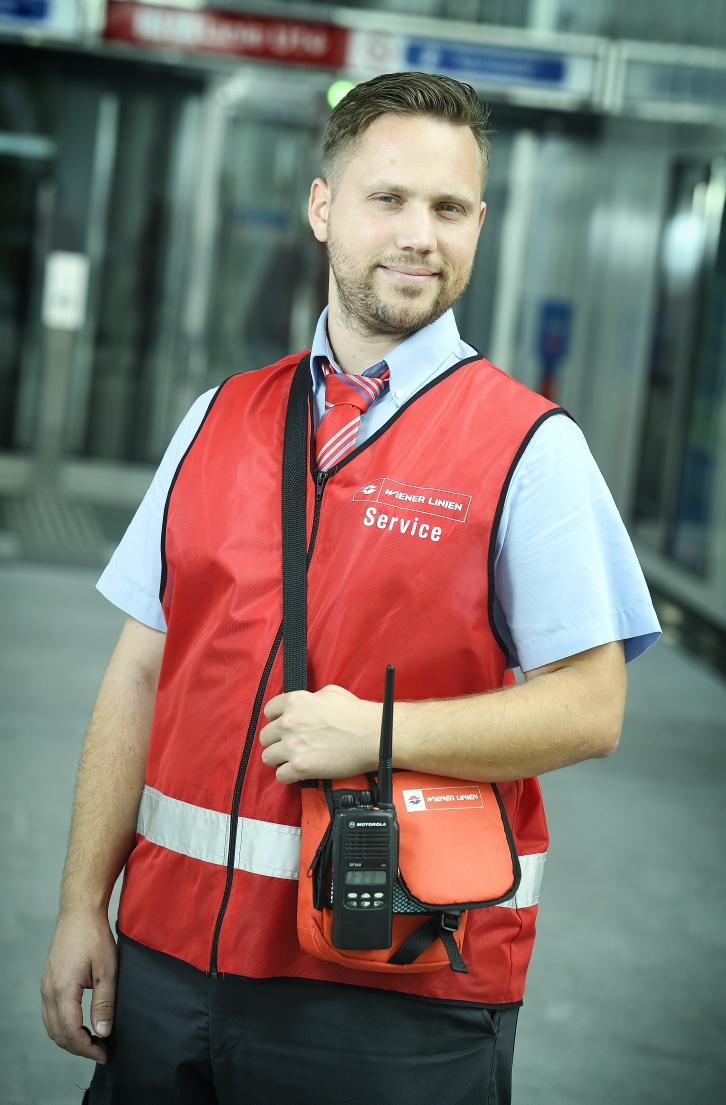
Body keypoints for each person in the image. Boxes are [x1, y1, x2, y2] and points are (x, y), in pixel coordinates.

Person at [41, 72, 660, 1104]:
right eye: (389, 198)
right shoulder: (219, 418)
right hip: (166, 963)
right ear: (323, 208)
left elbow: (592, 708)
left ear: (479, 224)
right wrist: (78, 906)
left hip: (391, 985)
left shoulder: (530, 450)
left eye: (450, 207)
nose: (420, 232)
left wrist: (379, 733)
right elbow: (140, 670)